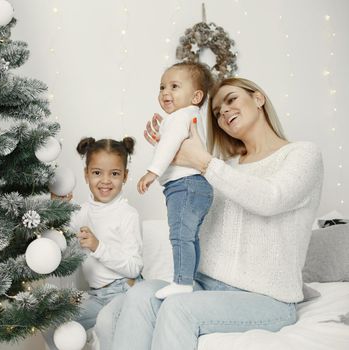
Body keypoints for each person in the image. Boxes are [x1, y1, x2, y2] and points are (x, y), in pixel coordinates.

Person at [97, 77, 323, 350]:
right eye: (216, 112)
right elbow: (192, 212)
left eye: (231, 100)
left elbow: (270, 199)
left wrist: (202, 162)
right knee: (135, 298)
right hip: (207, 286)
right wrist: (169, 149)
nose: (223, 112)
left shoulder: (302, 155)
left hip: (266, 299)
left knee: (178, 309)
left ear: (258, 99)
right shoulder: (225, 167)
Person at [45, 137, 143, 350]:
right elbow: (59, 235)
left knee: (108, 329)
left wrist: (99, 247)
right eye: (97, 172)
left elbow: (135, 267)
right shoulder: (82, 212)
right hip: (96, 296)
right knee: (51, 321)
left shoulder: (128, 215)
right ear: (86, 174)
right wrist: (57, 208)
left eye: (114, 174)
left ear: (125, 176)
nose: (105, 181)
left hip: (123, 293)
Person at [137, 62, 215, 299]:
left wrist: (153, 172)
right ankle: (189, 279)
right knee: (189, 236)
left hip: (185, 186)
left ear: (196, 96)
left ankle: (181, 282)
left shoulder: (180, 116)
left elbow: (170, 146)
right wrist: (160, 138)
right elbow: (173, 144)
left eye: (174, 86)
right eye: (162, 87)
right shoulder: (189, 116)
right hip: (197, 186)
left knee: (180, 235)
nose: (165, 93)